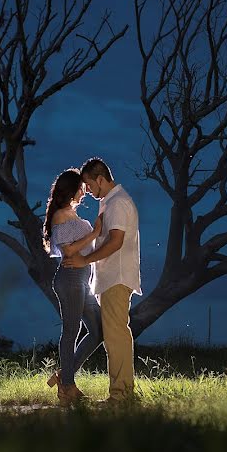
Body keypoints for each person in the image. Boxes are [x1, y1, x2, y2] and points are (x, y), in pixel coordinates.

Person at [63, 157, 141, 402]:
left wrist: (84, 261)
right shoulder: (111, 202)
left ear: (100, 179)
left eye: (89, 185)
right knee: (115, 334)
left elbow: (116, 241)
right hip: (112, 278)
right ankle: (122, 392)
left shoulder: (117, 203)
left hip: (117, 277)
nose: (87, 191)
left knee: (116, 335)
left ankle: (121, 396)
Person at [43, 168, 104, 406]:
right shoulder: (60, 215)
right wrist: (96, 232)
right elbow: (68, 250)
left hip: (81, 280)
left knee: (98, 330)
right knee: (71, 331)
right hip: (70, 278)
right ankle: (67, 387)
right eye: (82, 187)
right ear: (73, 189)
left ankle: (63, 376)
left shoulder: (71, 214)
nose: (85, 191)